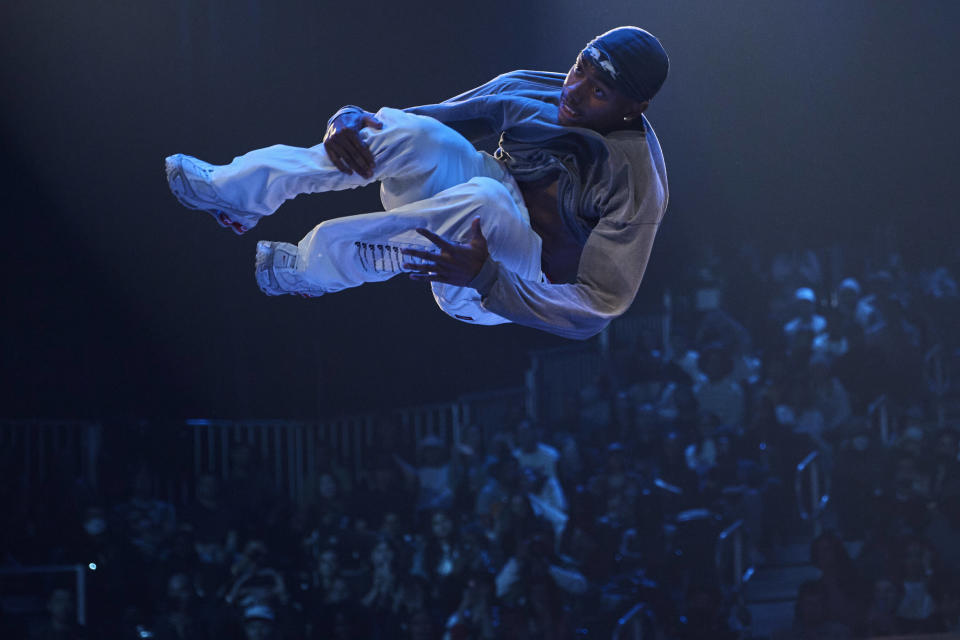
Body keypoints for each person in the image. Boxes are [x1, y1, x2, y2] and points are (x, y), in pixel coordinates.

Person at [166, 27, 669, 339]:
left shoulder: (637, 182)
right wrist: (351, 119)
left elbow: (598, 308)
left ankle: (310, 268)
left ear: (633, 108)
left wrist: (488, 279)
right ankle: (237, 193)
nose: (574, 93)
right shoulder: (534, 88)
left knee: (489, 200)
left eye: (597, 91)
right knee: (409, 134)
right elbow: (432, 122)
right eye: (579, 68)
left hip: (498, 284)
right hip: (470, 210)